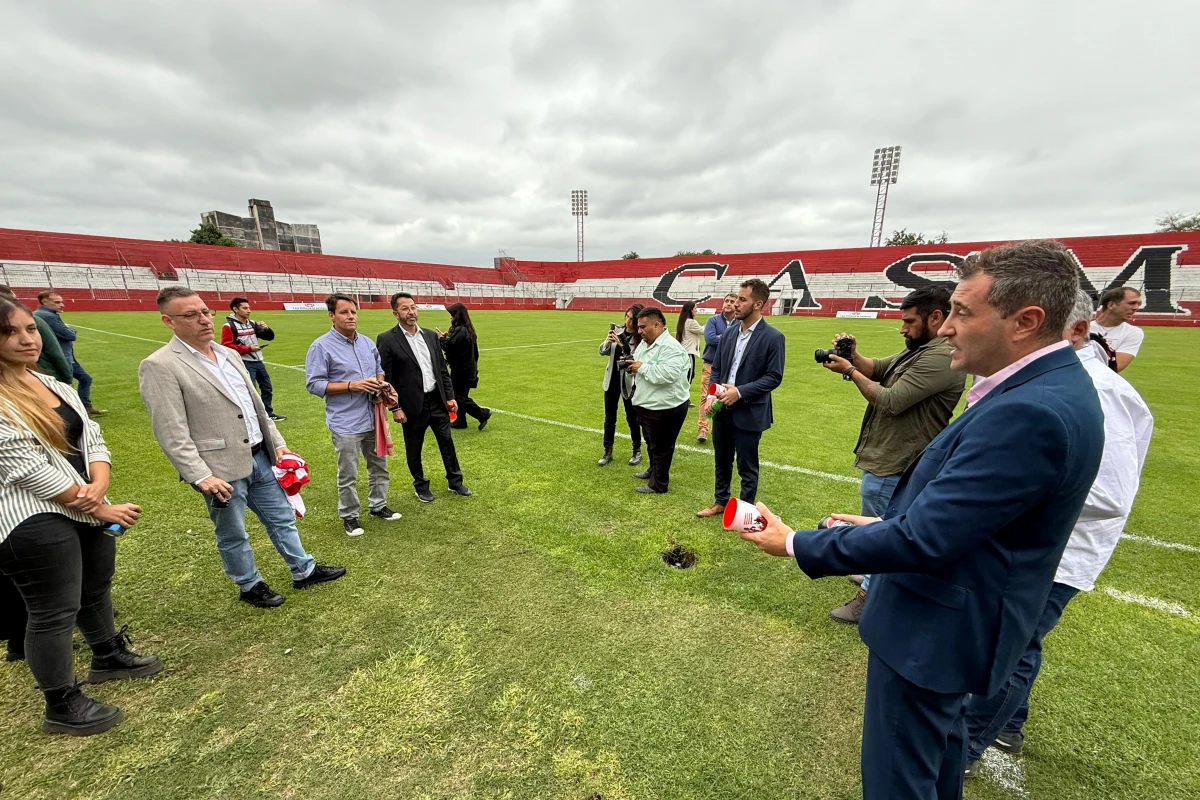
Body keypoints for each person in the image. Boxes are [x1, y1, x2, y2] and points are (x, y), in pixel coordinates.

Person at [738, 239, 1105, 800]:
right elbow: (972, 519)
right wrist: (877, 525)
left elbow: (927, 539)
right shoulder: (1045, 388)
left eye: (962, 311)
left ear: (1026, 322)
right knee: (937, 762)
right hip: (955, 625)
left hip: (935, 633)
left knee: (897, 780)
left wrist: (796, 544)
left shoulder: (1032, 409)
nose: (948, 326)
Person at [963, 290, 1153, 777]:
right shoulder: (1044, 379)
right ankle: (1006, 723)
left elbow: (1110, 495)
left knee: (1013, 646)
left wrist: (997, 489)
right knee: (1007, 642)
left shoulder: (1097, 392)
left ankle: (967, 744)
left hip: (1054, 554)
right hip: (1025, 544)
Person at [0, 297, 160, 736]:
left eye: (30, 329)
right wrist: (100, 505)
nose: (26, 339)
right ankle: (61, 703)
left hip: (84, 504)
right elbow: (25, 468)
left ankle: (107, 655)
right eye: (10, 332)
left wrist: (100, 482)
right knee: (53, 610)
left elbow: (93, 438)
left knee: (95, 585)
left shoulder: (52, 383)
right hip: (30, 517)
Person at [140, 286, 345, 607]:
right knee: (233, 532)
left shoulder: (230, 354)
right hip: (218, 470)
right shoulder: (160, 365)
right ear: (169, 321)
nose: (204, 320)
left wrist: (278, 446)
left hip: (261, 456)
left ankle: (303, 570)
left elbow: (256, 408)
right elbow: (170, 431)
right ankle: (250, 585)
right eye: (191, 315)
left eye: (205, 311)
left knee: (281, 518)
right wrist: (199, 475)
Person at [820, 285, 966, 624]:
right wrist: (854, 355)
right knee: (875, 527)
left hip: (902, 460)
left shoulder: (940, 355)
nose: (902, 328)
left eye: (909, 322)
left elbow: (891, 399)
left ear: (936, 317)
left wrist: (848, 371)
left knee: (885, 532)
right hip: (888, 456)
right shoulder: (921, 348)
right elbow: (878, 368)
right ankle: (872, 575)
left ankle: (870, 598)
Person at [304, 293, 402, 536]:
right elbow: (314, 384)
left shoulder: (367, 343)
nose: (350, 316)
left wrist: (382, 384)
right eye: (344, 312)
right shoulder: (321, 346)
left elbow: (378, 369)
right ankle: (349, 516)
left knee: (379, 466)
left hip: (373, 416)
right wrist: (353, 385)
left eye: (353, 312)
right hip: (346, 422)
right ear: (332, 316)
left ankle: (378, 505)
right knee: (348, 472)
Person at [695, 280, 785, 519]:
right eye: (736, 298)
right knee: (721, 459)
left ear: (758, 304)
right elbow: (717, 367)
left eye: (742, 299)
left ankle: (744, 513)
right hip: (722, 409)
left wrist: (740, 391)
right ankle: (721, 501)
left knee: (747, 466)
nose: (735, 303)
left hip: (750, 411)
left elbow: (774, 377)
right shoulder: (730, 332)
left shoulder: (773, 337)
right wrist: (711, 395)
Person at [377, 292, 471, 503]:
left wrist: (450, 397)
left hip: (437, 401)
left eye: (413, 307)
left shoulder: (429, 335)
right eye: (405, 308)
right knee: (414, 447)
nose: (411, 312)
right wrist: (395, 407)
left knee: (447, 442)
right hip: (411, 405)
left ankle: (455, 482)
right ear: (395, 313)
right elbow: (388, 378)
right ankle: (420, 485)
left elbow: (441, 370)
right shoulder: (387, 339)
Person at [627, 307, 691, 494]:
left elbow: (667, 375)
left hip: (666, 407)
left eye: (643, 327)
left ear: (657, 325)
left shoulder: (672, 347)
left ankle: (659, 484)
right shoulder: (645, 344)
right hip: (648, 404)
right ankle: (653, 471)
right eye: (639, 327)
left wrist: (642, 367)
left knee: (662, 446)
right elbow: (639, 364)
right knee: (651, 442)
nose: (639, 331)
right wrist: (632, 366)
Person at [33, 290, 106, 417]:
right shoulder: (47, 316)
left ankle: (85, 407)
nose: (61, 305)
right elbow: (70, 335)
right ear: (44, 302)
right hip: (61, 357)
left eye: (61, 302)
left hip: (66, 356)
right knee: (65, 386)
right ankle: (73, 413)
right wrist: (71, 329)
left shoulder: (43, 314)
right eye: (57, 302)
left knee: (85, 379)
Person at [222, 297, 285, 421]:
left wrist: (266, 329)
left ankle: (268, 413)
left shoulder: (252, 323)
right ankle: (251, 415)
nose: (249, 310)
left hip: (258, 361)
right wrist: (248, 348)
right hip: (244, 362)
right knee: (250, 390)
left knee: (267, 387)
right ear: (235, 309)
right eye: (245, 308)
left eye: (249, 307)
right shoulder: (229, 326)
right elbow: (226, 346)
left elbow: (269, 337)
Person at [598, 303, 644, 467]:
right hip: (611, 380)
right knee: (609, 418)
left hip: (629, 382)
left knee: (632, 418)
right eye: (627, 316)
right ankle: (607, 451)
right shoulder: (617, 331)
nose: (628, 321)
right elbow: (602, 351)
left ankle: (637, 450)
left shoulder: (640, 337)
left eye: (632, 318)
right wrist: (608, 343)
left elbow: (632, 357)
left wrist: (623, 343)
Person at [0, 285, 72, 383]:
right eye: (10, 331)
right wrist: (67, 378)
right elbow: (55, 351)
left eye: (31, 329)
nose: (28, 340)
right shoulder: (40, 318)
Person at [438, 303, 491, 431]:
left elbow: (449, 346)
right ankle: (461, 421)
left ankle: (482, 413)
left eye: (451, 315)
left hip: (462, 370)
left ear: (457, 315)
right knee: (461, 395)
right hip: (467, 368)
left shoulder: (461, 330)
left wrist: (440, 339)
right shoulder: (467, 330)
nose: (450, 318)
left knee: (458, 397)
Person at [697, 293, 736, 443]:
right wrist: (729, 338)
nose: (728, 304)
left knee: (724, 396)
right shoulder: (713, 320)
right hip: (711, 363)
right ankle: (702, 428)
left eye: (732, 301)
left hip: (729, 366)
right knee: (706, 395)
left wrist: (722, 336)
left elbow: (737, 341)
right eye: (726, 301)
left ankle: (718, 429)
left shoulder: (738, 323)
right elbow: (710, 339)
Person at [1090, 286, 1143, 372]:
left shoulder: (1133, 333)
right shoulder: (1081, 327)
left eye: (1138, 304)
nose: (1136, 308)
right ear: (1111, 305)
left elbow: (1116, 366)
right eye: (1132, 303)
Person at [676, 300, 704, 393]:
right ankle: (685, 398)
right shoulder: (691, 322)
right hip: (688, 352)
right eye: (695, 308)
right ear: (690, 310)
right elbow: (703, 331)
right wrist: (712, 323)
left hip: (683, 351)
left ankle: (683, 397)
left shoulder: (683, 321)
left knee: (686, 375)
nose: (696, 310)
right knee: (689, 375)